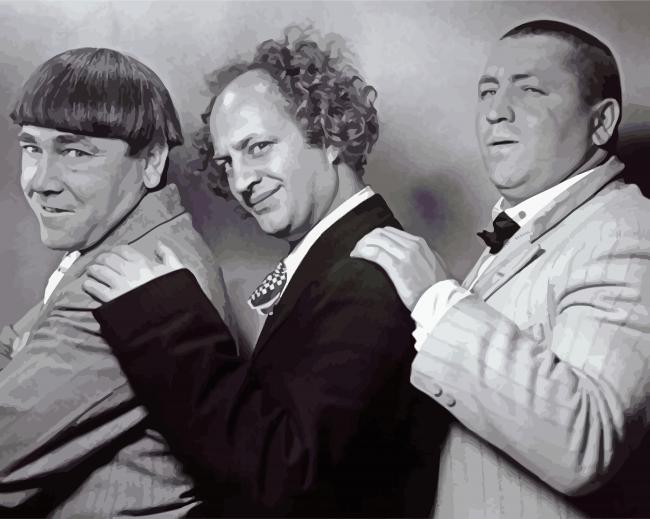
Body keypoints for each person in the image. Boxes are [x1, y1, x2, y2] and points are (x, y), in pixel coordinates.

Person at [82, 29, 445, 517]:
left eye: (257, 147)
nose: (241, 181)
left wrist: (167, 319)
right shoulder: (334, 261)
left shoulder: (369, 274)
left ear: (329, 135)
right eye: (227, 162)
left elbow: (286, 476)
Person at [352, 19, 650, 518]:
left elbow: (587, 440)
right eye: (487, 91)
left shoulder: (628, 230)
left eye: (529, 90)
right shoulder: (525, 230)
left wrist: (436, 298)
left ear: (601, 123)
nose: (495, 110)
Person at [0, 47, 226, 517]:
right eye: (31, 148)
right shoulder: (126, 240)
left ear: (152, 160)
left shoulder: (131, 281)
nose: (40, 182)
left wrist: (22, 359)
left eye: (75, 152)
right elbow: (8, 346)